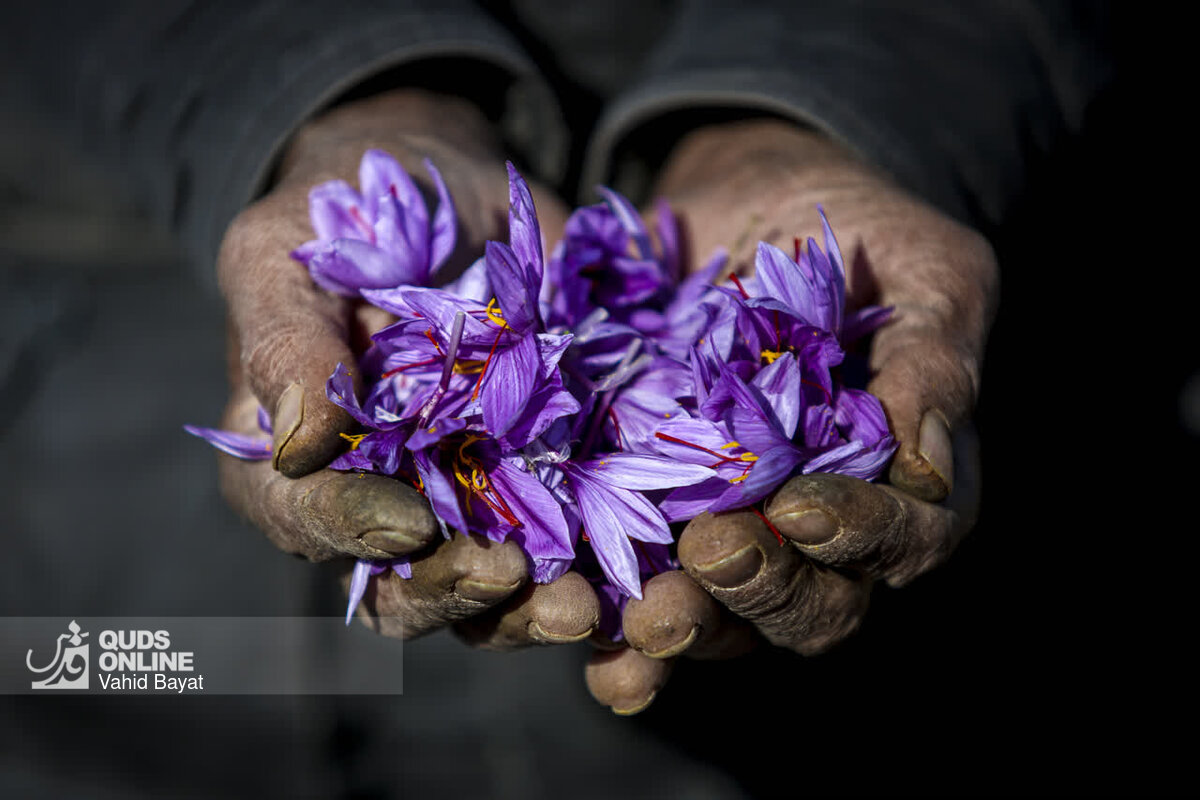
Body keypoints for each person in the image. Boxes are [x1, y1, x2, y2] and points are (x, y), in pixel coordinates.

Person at [11, 0, 1111, 717]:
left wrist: (829, 117)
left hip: (828, 719)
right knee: (88, 681)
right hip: (102, 417)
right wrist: (340, 101)